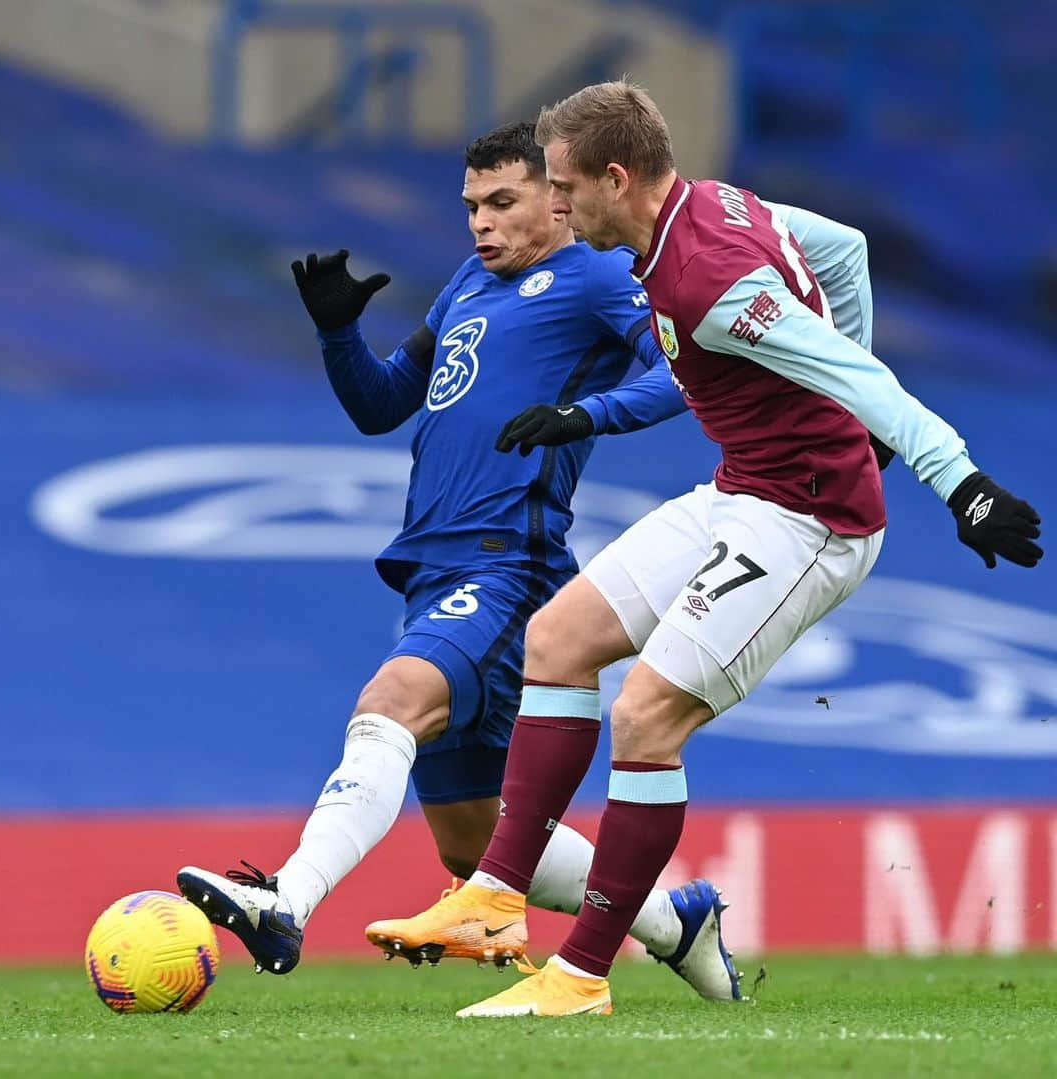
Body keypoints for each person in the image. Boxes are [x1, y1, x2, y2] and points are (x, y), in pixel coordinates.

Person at [367, 81, 1044, 1019]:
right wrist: (845, 403)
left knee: (645, 719)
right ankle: (494, 896)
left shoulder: (709, 277)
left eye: (562, 187)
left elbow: (857, 373)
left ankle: (582, 976)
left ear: (615, 177)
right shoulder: (712, 202)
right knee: (556, 640)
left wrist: (959, 481)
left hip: (808, 521)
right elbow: (843, 252)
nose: (553, 207)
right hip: (737, 491)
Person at [175, 120, 749, 1002]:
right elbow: (382, 405)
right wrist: (338, 334)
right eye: (471, 207)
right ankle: (680, 925)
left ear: (557, 201)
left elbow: (680, 370)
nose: (482, 224)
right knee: (470, 840)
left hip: (506, 564)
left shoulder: (596, 274)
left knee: (389, 703)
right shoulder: (466, 286)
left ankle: (286, 899)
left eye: (503, 203)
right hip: (436, 572)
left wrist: (587, 414)